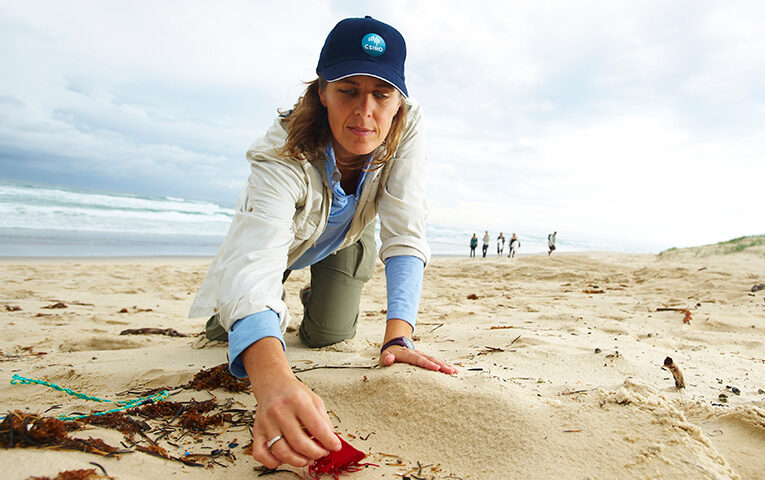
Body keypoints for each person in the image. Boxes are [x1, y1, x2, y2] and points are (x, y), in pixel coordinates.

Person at [189, 16, 456, 470]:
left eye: (381, 94)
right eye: (348, 90)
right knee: (230, 335)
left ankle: (315, 297)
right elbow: (255, 257)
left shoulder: (407, 126)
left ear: (399, 101)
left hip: (346, 240)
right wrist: (273, 383)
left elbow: (405, 225)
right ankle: (269, 303)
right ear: (322, 91)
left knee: (328, 334)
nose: (365, 111)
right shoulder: (280, 150)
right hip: (282, 247)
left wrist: (400, 336)